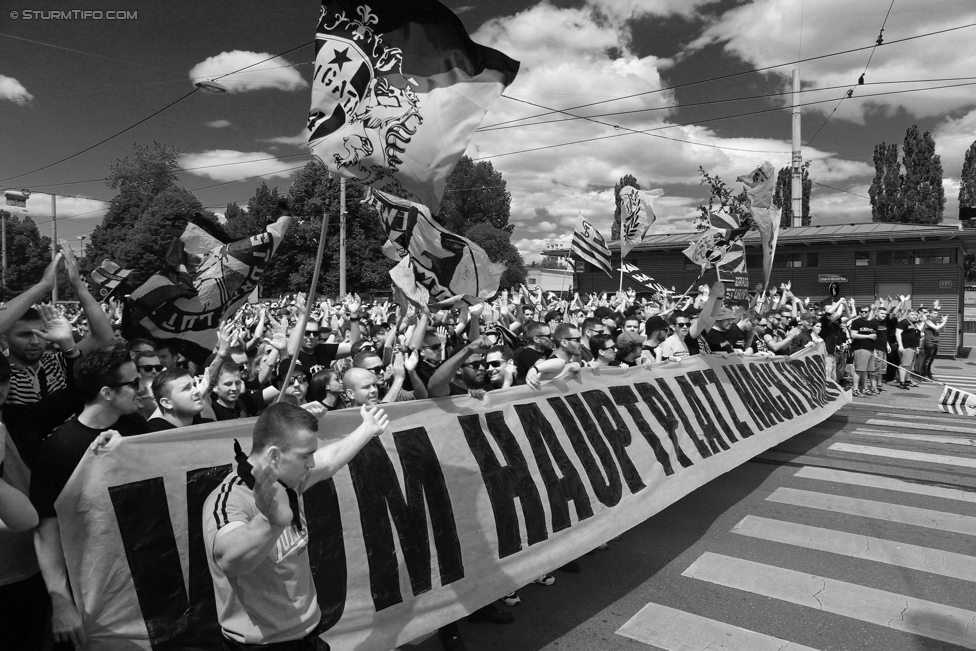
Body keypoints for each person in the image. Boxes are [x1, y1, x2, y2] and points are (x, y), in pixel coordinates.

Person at [203, 402, 389, 649]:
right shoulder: (229, 499)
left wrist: (367, 428)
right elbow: (229, 560)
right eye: (305, 456)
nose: (311, 463)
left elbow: (329, 460)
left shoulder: (288, 479)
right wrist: (270, 523)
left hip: (306, 636)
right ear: (273, 456)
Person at [31, 348, 149, 650]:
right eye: (133, 383)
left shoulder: (134, 426)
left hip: (143, 583)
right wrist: (60, 600)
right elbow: (47, 530)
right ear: (107, 392)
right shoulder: (57, 449)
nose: (143, 388)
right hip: (93, 593)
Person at [148, 368, 212, 431]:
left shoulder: (209, 427)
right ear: (166, 403)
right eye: (186, 388)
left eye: (194, 385)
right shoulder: (151, 434)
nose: (197, 391)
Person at [848, 304, 879, 396]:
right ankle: (855, 389)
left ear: (869, 312)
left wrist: (874, 350)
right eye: (862, 311)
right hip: (860, 348)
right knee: (859, 370)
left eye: (866, 311)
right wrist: (868, 336)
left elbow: (874, 335)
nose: (863, 313)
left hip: (870, 349)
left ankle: (865, 388)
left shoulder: (872, 323)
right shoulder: (857, 322)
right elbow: (853, 335)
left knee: (866, 370)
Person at [895, 309, 921, 389]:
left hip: (913, 347)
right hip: (907, 347)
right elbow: (898, 333)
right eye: (912, 314)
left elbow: (916, 334)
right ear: (907, 315)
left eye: (916, 315)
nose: (914, 316)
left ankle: (907, 380)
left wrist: (916, 347)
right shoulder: (903, 323)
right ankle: (902, 382)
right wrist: (900, 346)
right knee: (904, 365)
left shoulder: (913, 323)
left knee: (910, 365)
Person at [919, 308, 948, 379]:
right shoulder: (928, 320)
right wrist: (943, 322)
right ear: (930, 313)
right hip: (929, 341)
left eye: (937, 313)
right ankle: (924, 374)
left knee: (931, 359)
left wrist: (943, 323)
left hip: (935, 342)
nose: (936, 315)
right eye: (934, 313)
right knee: (927, 359)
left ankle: (928, 373)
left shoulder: (934, 321)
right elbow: (936, 327)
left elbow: (942, 329)